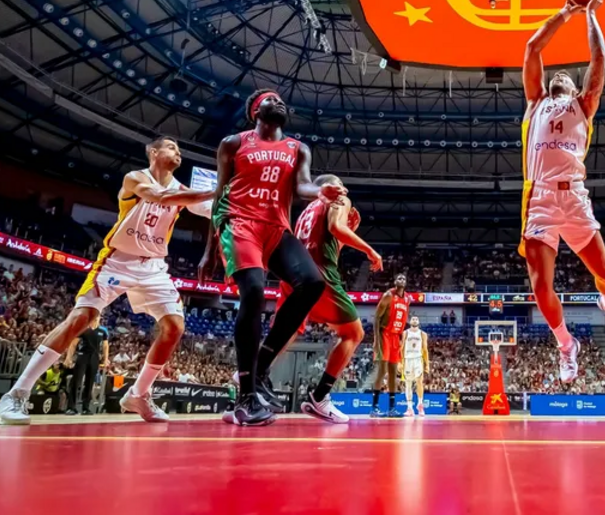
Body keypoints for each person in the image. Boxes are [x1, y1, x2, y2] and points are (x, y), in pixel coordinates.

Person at [0, 136, 214, 425]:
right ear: (153, 152)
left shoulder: (183, 190)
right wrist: (214, 191)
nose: (178, 152)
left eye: (179, 149)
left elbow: (210, 208)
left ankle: (138, 395)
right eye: (171, 147)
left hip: (153, 267)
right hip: (117, 260)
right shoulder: (135, 178)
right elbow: (160, 197)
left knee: (175, 327)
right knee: (81, 318)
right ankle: (17, 393)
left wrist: (232, 198)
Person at [199, 89, 346, 427]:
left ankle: (261, 365)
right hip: (239, 222)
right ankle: (246, 397)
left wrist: (320, 192)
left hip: (276, 228)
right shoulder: (233, 143)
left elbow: (303, 186)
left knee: (311, 283)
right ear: (255, 110)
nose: (278, 102)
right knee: (253, 291)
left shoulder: (298, 148)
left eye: (281, 100)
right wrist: (208, 249)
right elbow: (220, 193)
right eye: (270, 99)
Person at [519, 0, 605, 383]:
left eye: (567, 76)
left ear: (573, 87)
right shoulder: (535, 103)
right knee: (539, 286)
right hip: (541, 201)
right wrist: (566, 12)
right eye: (557, 76)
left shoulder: (584, 104)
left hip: (575, 198)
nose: (560, 76)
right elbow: (533, 49)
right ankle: (566, 344)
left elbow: (598, 60)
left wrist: (591, 14)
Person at [262, 174, 383, 424]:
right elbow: (336, 229)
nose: (344, 190)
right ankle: (320, 396)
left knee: (289, 328)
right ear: (331, 186)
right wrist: (370, 250)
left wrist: (349, 231)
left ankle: (253, 374)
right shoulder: (339, 199)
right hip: (321, 275)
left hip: (294, 272)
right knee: (354, 333)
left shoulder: (307, 210)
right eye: (340, 185)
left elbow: (327, 240)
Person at [371, 274, 410, 418]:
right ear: (395, 282)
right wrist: (376, 339)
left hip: (395, 337)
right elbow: (376, 317)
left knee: (394, 373)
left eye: (404, 279)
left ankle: (392, 409)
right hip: (384, 334)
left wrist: (401, 338)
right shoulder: (388, 296)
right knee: (382, 371)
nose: (401, 280)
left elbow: (403, 318)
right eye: (399, 278)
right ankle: (374, 408)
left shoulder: (407, 299)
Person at [63, 313, 109, 415]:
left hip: (95, 358)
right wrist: (68, 358)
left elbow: (105, 346)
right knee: (76, 381)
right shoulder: (83, 329)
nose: (96, 318)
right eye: (95, 316)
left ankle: (86, 408)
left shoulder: (103, 331)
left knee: (90, 383)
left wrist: (106, 359)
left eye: (98, 316)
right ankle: (71, 407)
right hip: (83, 356)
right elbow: (73, 344)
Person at [401, 315, 430, 417]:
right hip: (407, 359)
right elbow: (401, 348)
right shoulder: (405, 333)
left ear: (419, 322)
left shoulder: (423, 334)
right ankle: (409, 408)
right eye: (413, 319)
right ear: (410, 321)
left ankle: (420, 404)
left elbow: (425, 350)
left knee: (419, 381)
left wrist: (427, 364)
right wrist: (400, 362)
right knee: (408, 384)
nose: (414, 320)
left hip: (418, 359)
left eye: (416, 319)